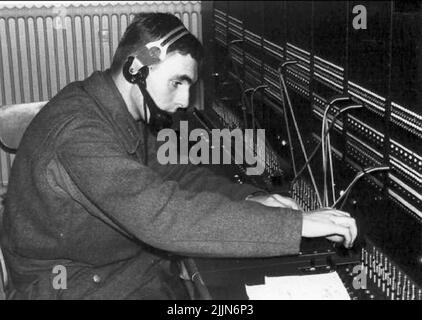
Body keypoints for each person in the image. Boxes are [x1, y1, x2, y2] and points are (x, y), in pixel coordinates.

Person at [0, 12, 357, 300]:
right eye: (177, 82)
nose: (186, 100)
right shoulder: (81, 132)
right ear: (136, 67)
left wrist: (251, 198)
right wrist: (299, 226)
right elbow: (160, 214)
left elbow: (176, 175)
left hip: (114, 266)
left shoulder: (117, 110)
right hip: (68, 283)